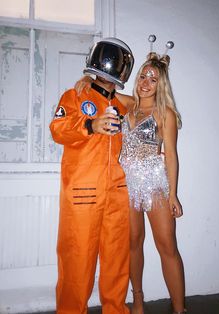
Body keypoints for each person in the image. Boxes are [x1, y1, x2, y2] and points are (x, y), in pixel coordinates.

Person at [75, 51, 186, 314]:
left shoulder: (165, 113)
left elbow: (171, 154)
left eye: (153, 79)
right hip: (126, 184)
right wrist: (87, 81)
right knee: (133, 244)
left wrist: (173, 195)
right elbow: (103, 90)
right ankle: (137, 301)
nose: (145, 82)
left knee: (167, 246)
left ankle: (180, 309)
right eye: (143, 76)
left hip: (154, 183)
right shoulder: (128, 104)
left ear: (162, 85)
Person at [50, 37, 134, 314]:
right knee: (77, 262)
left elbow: (135, 102)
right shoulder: (74, 96)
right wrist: (90, 123)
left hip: (116, 194)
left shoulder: (122, 105)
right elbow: (57, 129)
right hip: (82, 193)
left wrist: (101, 90)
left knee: (117, 263)